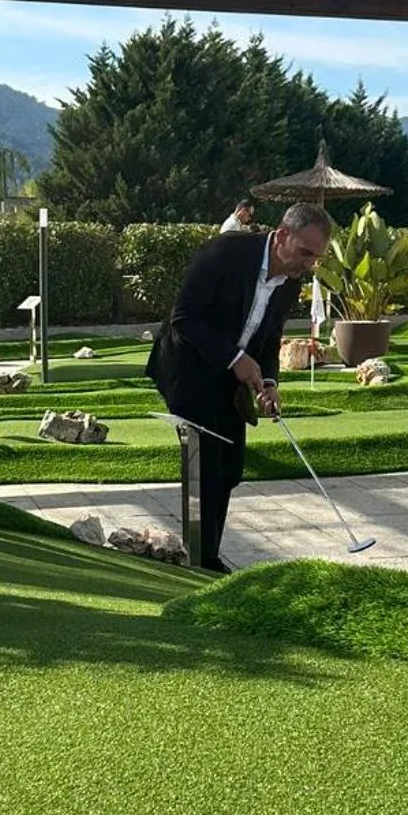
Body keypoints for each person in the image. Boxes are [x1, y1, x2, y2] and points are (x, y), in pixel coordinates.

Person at [146, 200, 333, 571]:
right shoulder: (223, 252)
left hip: (229, 378)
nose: (309, 264)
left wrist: (267, 381)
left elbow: (268, 337)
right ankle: (203, 558)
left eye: (316, 257)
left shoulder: (289, 283)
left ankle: (204, 552)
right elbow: (184, 319)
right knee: (208, 468)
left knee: (230, 468)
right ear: (281, 236)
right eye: (305, 252)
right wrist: (236, 358)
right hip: (189, 372)